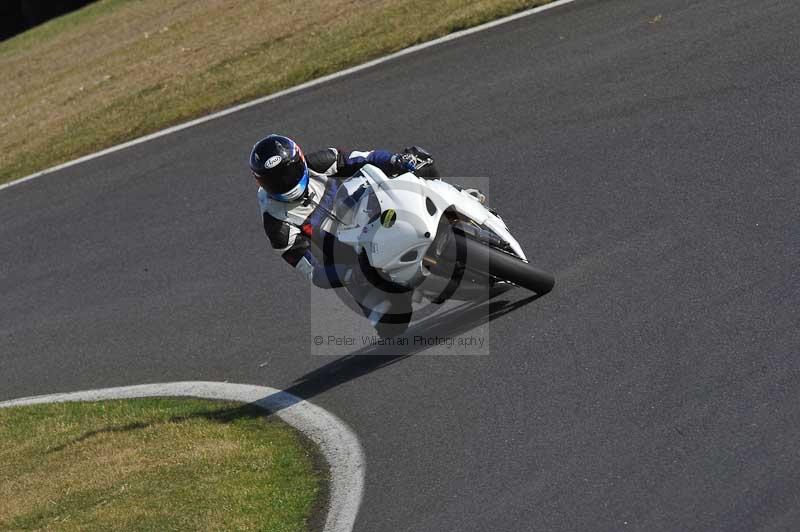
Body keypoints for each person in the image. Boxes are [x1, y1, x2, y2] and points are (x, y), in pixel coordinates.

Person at [251, 134, 441, 289]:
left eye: (289, 173)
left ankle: (455, 199)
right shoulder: (277, 225)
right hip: (356, 256)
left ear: (300, 160)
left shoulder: (320, 163)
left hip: (375, 211)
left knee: (420, 161)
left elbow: (368, 158)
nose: (286, 182)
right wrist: (349, 274)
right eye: (275, 181)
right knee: (391, 325)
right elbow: (314, 272)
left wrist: (396, 160)